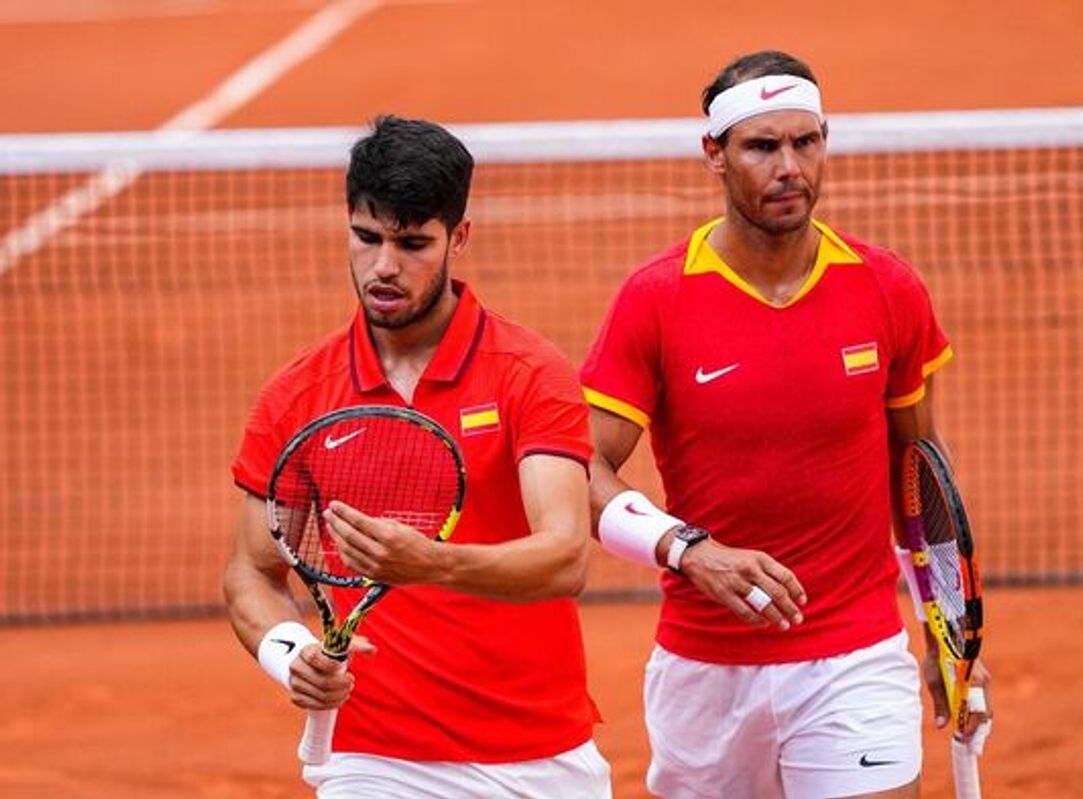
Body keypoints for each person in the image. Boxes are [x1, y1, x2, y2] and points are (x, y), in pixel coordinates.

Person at [581, 51, 993, 799]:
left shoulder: (885, 287)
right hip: (705, 666)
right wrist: (687, 549)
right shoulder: (657, 299)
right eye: (762, 146)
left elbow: (919, 470)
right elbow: (580, 470)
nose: (789, 168)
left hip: (854, 657)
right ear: (714, 153)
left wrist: (945, 625)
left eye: (806, 142)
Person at [224, 115, 611, 798]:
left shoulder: (528, 373)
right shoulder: (298, 395)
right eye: (366, 237)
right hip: (375, 759)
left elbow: (564, 556)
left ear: (458, 237)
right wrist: (290, 653)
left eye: (412, 243)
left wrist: (430, 563)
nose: (384, 266)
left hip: (539, 754)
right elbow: (252, 571)